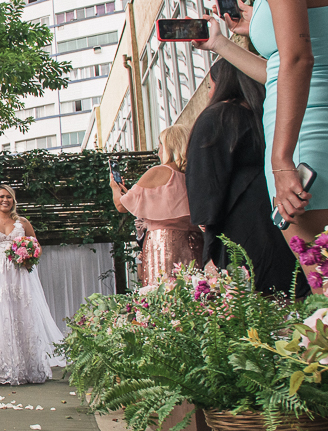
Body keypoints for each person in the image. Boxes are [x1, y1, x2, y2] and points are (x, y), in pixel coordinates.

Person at [229, 0, 328, 286]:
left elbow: (297, 59)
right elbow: (281, 67)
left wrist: (281, 161)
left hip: (303, 140)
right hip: (310, 130)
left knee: (324, 288)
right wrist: (224, 46)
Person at [187, 59, 310, 295]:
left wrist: (208, 244)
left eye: (210, 86)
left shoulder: (218, 116)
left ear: (222, 84)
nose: (210, 93)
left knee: (254, 308)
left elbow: (205, 185)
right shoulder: (269, 117)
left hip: (241, 228)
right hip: (284, 217)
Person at [0, 184, 65, 385]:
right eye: (1, 197)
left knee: (22, 313)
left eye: (9, 197)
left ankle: (27, 366)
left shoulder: (22, 223)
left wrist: (28, 256)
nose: (5, 200)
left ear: (13, 200)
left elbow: (37, 246)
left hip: (19, 274)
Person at [110, 125, 202, 285]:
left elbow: (121, 205)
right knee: (194, 294)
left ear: (169, 147)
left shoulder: (160, 172)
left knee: (164, 295)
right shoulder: (195, 175)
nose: (158, 151)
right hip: (195, 242)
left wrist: (114, 187)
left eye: (160, 145)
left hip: (164, 243)